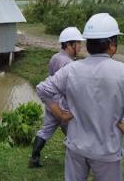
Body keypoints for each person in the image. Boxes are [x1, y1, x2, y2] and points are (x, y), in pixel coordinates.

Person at [36, 13, 124, 180]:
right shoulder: (121, 72)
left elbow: (43, 89)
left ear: (88, 44)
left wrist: (60, 114)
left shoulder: (72, 70)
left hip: (76, 147)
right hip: (106, 151)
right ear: (112, 44)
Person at [29, 27, 84, 168]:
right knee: (73, 134)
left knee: (45, 130)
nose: (81, 46)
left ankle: (34, 159)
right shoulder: (70, 64)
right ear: (70, 45)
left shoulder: (55, 57)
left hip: (51, 102)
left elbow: (50, 79)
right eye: (78, 43)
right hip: (64, 105)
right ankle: (73, 164)